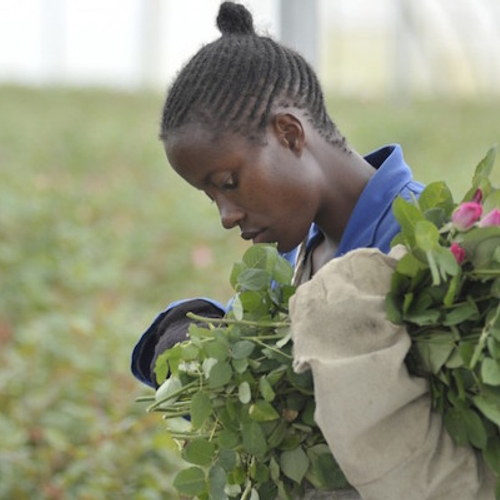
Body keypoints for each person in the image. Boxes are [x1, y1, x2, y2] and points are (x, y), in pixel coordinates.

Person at [131, 3, 496, 499]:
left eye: (229, 183)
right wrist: (189, 328)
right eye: (211, 196)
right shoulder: (295, 257)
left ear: (289, 133)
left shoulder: (426, 249)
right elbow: (264, 350)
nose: (226, 215)